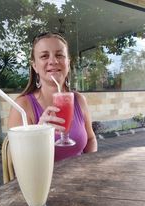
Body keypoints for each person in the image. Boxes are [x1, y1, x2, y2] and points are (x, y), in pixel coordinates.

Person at [8, 32, 98, 161]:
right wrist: (39, 132)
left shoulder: (79, 100)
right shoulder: (22, 106)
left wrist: (91, 165)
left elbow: (90, 139)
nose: (53, 61)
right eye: (44, 56)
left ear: (68, 62)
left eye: (59, 55)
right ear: (34, 66)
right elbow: (18, 160)